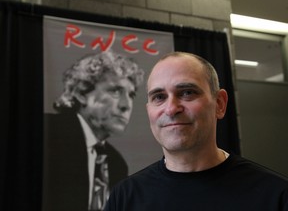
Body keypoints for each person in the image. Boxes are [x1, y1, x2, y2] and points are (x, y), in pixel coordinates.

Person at [104, 52, 288, 211]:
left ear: (220, 103)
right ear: (148, 111)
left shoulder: (276, 195)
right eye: (159, 97)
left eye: (187, 93)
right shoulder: (125, 198)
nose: (170, 109)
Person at [43, 51, 144, 211]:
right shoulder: (45, 132)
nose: (126, 105)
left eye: (131, 95)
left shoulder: (117, 163)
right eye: (115, 91)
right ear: (81, 94)